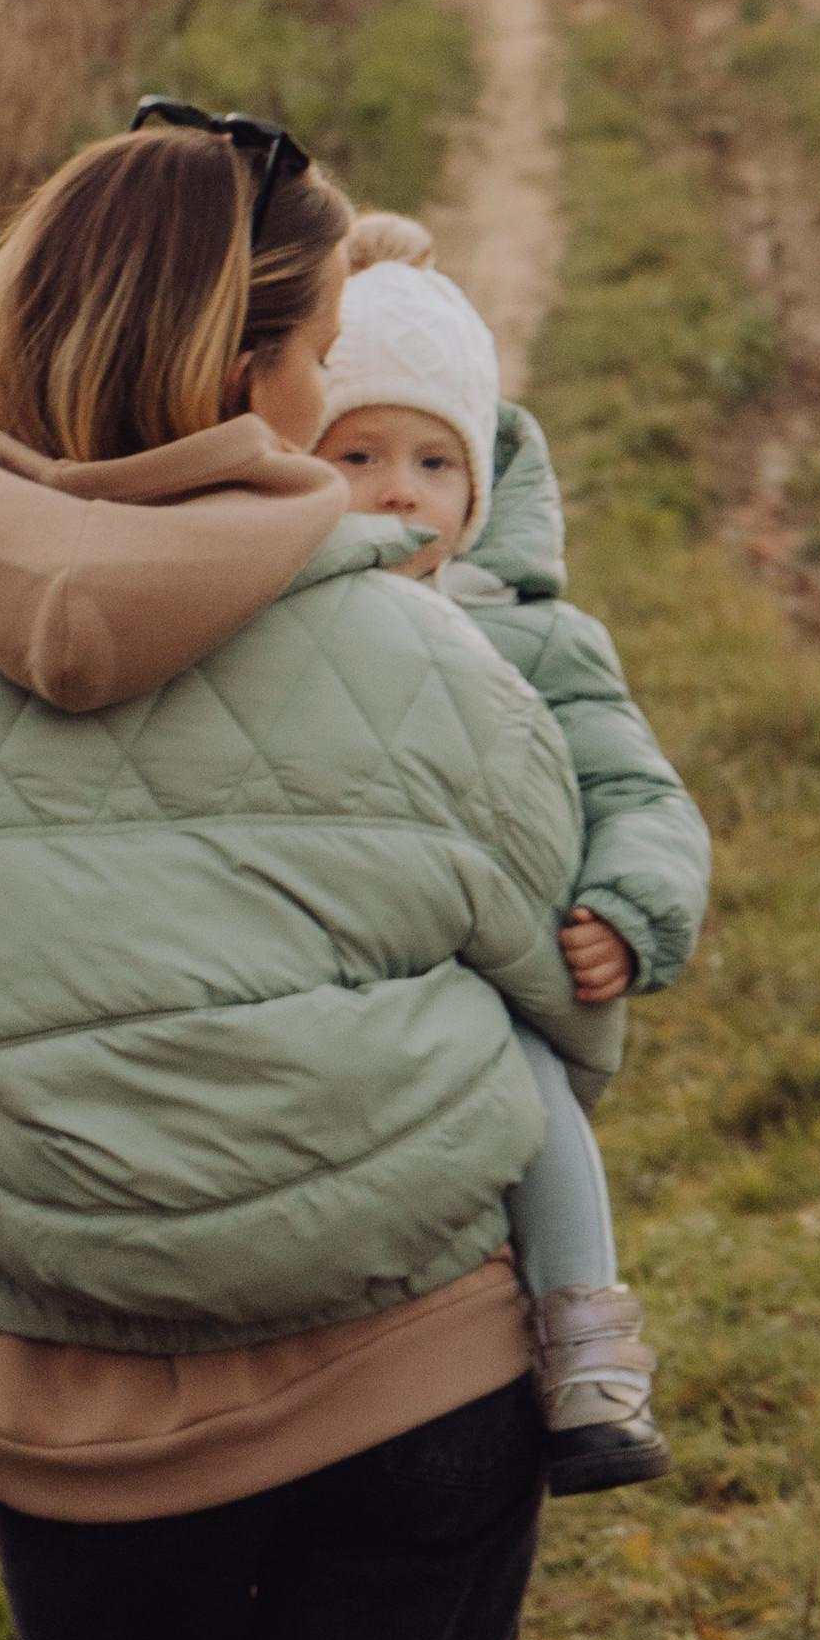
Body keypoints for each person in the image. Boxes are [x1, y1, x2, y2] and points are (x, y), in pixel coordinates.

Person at [0, 105, 610, 1640]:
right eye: (314, 351)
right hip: (402, 1369)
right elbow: (564, 1003)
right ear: (254, 374)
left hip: (62, 1385)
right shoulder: (426, 652)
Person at [311, 214, 710, 1493]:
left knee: (534, 1095)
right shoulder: (264, 618)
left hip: (476, 963)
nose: (396, 489)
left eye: (434, 462)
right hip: (318, 943)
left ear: (476, 495)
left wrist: (627, 905)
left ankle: (584, 1337)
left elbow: (635, 786)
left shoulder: (533, 642)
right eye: (358, 451)